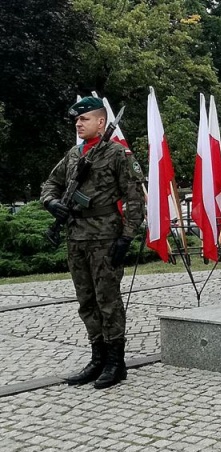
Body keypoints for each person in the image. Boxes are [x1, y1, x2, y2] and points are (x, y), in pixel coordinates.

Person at [41, 96, 145, 389]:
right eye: (76, 120)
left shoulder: (117, 155)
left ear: (101, 122)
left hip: (105, 236)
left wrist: (126, 236)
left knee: (107, 300)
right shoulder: (73, 155)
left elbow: (134, 197)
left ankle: (116, 362)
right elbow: (51, 184)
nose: (78, 123)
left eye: (84, 118)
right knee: (86, 301)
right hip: (76, 236)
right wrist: (51, 203)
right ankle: (97, 358)